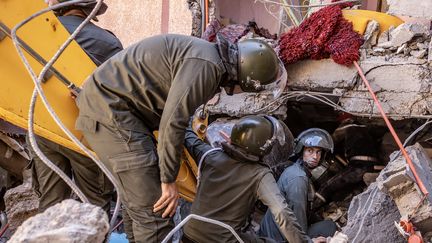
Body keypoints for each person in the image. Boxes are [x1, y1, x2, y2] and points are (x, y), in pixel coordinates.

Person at [74, 34, 286, 242]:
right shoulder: (207, 67)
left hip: (116, 111)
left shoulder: (207, 58)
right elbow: (173, 121)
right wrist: (168, 179)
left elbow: (176, 120)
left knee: (138, 208)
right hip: (114, 113)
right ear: (248, 78)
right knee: (157, 211)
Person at [29, 0, 123, 214]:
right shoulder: (109, 42)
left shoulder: (36, 32)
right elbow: (118, 94)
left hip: (43, 128)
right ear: (91, 9)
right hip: (87, 134)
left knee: (50, 207)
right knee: (93, 208)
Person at [182, 115, 323, 243]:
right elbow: (281, 212)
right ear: (264, 148)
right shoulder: (260, 174)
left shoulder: (210, 155)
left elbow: (186, 134)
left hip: (188, 233)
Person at [259, 128, 338, 241]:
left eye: (318, 152)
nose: (315, 156)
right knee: (329, 227)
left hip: (269, 232)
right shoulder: (298, 179)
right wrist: (310, 241)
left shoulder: (295, 169)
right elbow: (298, 219)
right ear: (302, 151)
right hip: (277, 239)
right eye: (310, 151)